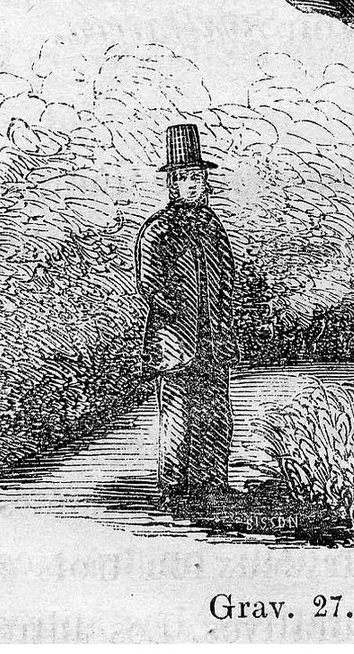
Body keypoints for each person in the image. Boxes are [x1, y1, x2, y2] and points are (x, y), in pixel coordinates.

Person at [136, 124, 237, 502]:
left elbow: (227, 276)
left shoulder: (212, 225)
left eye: (199, 177)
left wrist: (219, 321)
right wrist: (183, 316)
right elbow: (151, 285)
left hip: (214, 340)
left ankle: (213, 484)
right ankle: (176, 489)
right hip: (176, 342)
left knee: (215, 412)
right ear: (172, 184)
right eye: (185, 178)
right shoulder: (158, 229)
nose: (194, 185)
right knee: (178, 415)